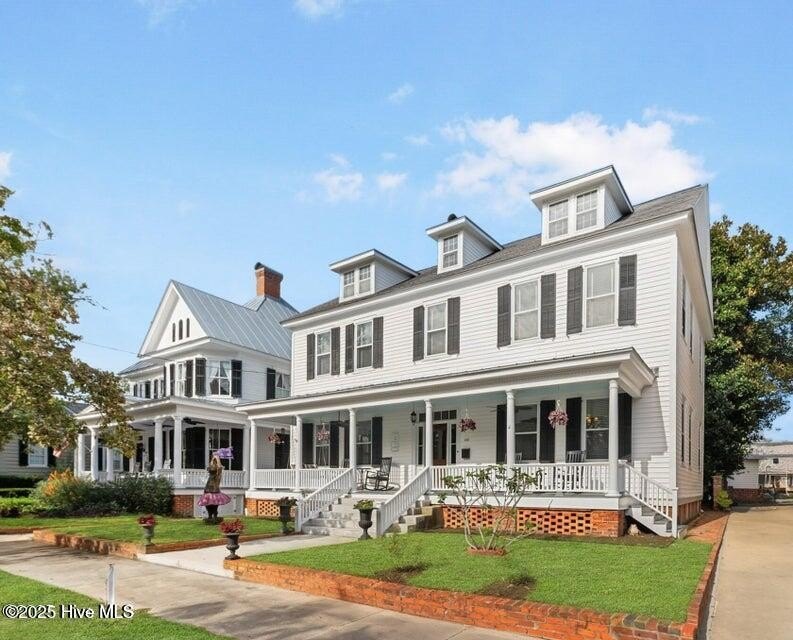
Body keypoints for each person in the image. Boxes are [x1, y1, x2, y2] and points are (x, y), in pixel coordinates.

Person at [197, 454, 231, 523]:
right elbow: (209, 467)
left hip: (214, 490)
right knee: (207, 503)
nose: (212, 465)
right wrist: (213, 459)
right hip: (208, 489)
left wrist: (217, 459)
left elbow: (220, 467)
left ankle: (214, 515)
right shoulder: (211, 472)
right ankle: (210, 515)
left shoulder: (217, 474)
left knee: (214, 504)